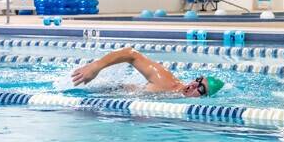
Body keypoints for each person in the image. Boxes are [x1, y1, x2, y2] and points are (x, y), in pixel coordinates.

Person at [71, 46, 224, 97]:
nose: (193, 85)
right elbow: (131, 53)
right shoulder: (167, 81)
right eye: (198, 80)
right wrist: (95, 66)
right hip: (100, 90)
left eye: (201, 88)